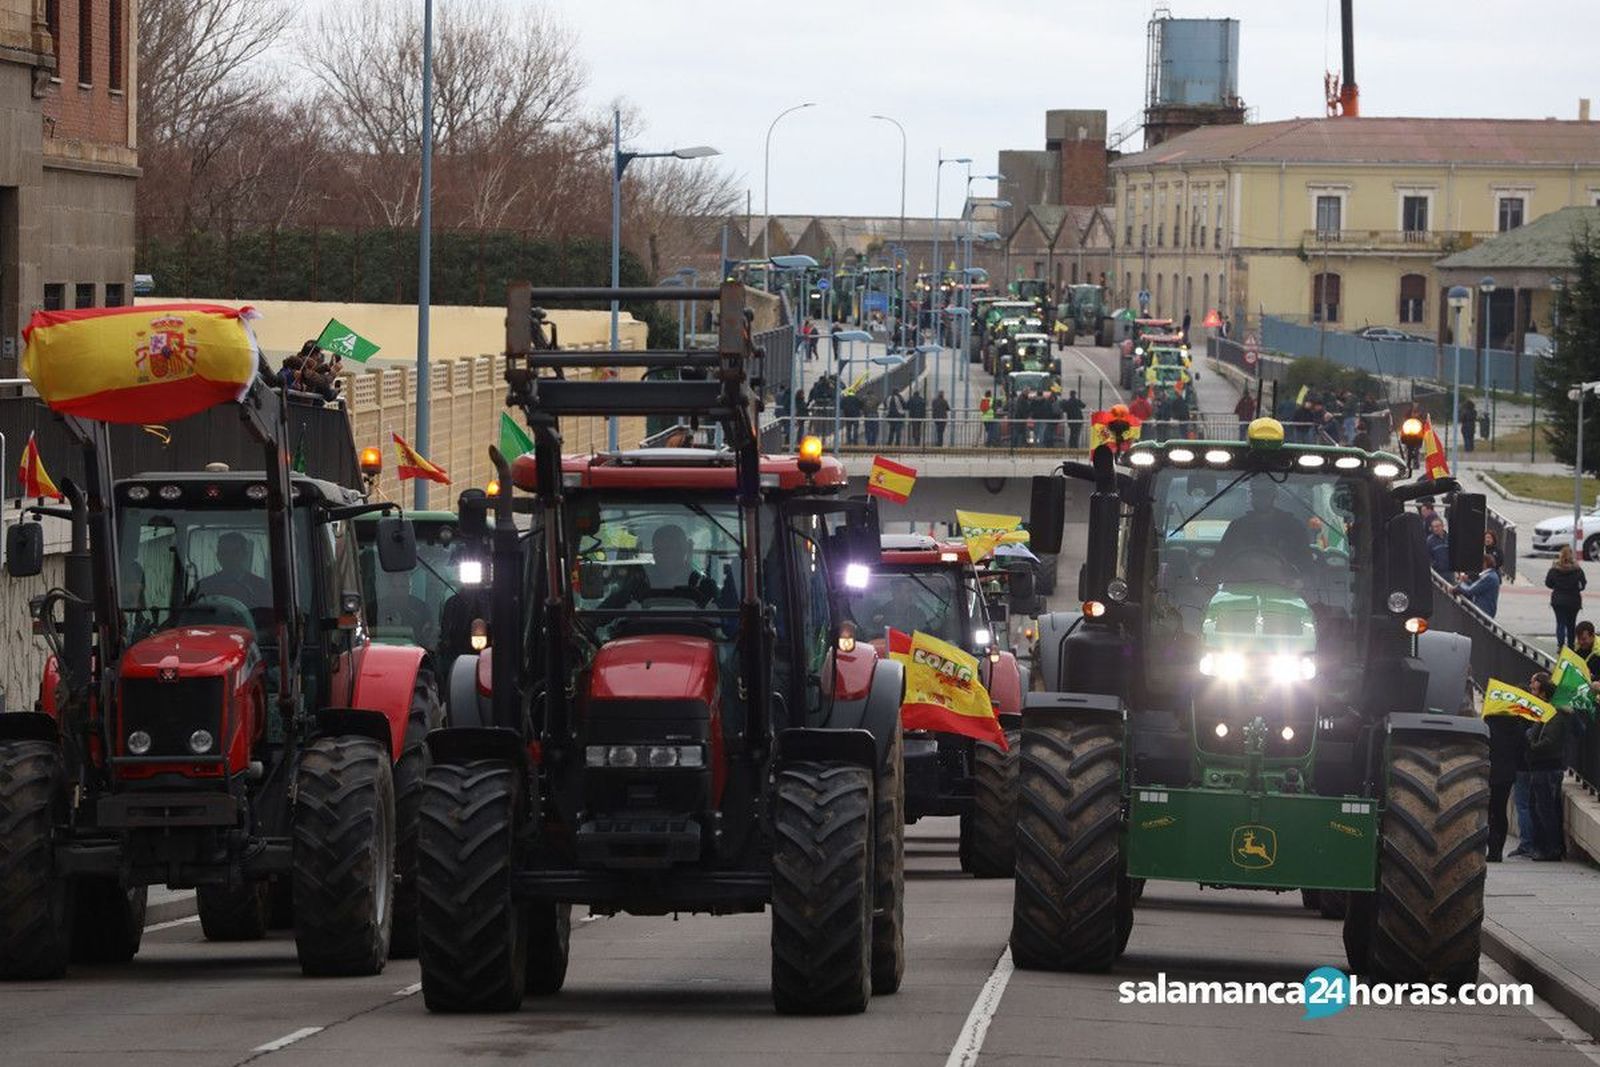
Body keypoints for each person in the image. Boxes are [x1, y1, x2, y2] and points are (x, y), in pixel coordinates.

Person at [1211, 479, 1314, 582]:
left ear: (1274, 495)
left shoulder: (1293, 527)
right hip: (1240, 587)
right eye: (1256, 493)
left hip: (1284, 589)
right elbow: (1219, 561)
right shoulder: (1237, 527)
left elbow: (1306, 567)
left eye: (1265, 493)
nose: (1260, 498)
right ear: (1250, 496)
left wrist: (1298, 579)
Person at [601, 524, 717, 608]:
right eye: (659, 550)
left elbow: (727, 622)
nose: (666, 555)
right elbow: (605, 612)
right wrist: (588, 621)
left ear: (684, 550)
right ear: (654, 552)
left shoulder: (703, 586)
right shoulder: (637, 584)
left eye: (671, 549)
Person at [1524, 670, 1571, 861]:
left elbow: (1548, 742)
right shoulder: (1545, 712)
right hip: (1540, 767)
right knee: (1539, 808)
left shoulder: (1554, 714)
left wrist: (1531, 743)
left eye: (1534, 690)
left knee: (1546, 811)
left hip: (1546, 767)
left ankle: (1551, 849)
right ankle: (1544, 847)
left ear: (1544, 694)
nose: (1532, 694)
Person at [1487, 693, 1530, 862]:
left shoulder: (1489, 724)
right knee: (1500, 810)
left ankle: (1493, 849)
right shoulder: (1517, 726)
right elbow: (1523, 749)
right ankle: (1499, 847)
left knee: (1488, 812)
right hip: (1507, 774)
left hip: (1489, 771)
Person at [194, 532, 273, 608]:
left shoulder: (261, 587)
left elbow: (268, 616)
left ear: (245, 555)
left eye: (235, 552)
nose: (229, 557)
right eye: (224, 552)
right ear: (218, 556)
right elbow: (188, 615)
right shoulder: (203, 587)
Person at [1546, 545, 1587, 650]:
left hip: (1558, 600)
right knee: (1571, 624)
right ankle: (1571, 646)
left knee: (1560, 623)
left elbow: (1548, 583)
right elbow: (1583, 584)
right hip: (1573, 600)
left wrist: (1557, 586)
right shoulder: (1577, 570)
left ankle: (1560, 646)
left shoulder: (1554, 569)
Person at [1455, 552, 1501, 617]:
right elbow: (1477, 586)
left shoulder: (1488, 577)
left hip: (1483, 611)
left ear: (1485, 564)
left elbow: (1470, 590)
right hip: (1485, 609)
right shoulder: (1490, 575)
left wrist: (1459, 586)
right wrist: (1467, 581)